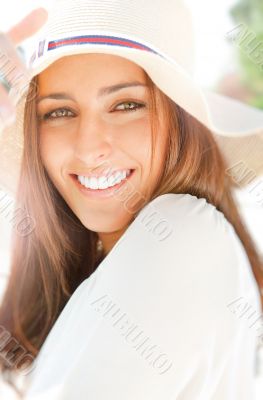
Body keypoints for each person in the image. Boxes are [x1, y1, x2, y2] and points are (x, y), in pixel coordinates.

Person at [0, 1, 263, 399]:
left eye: (126, 105)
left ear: (183, 120)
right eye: (58, 112)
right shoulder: (80, 286)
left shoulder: (181, 231)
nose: (89, 150)